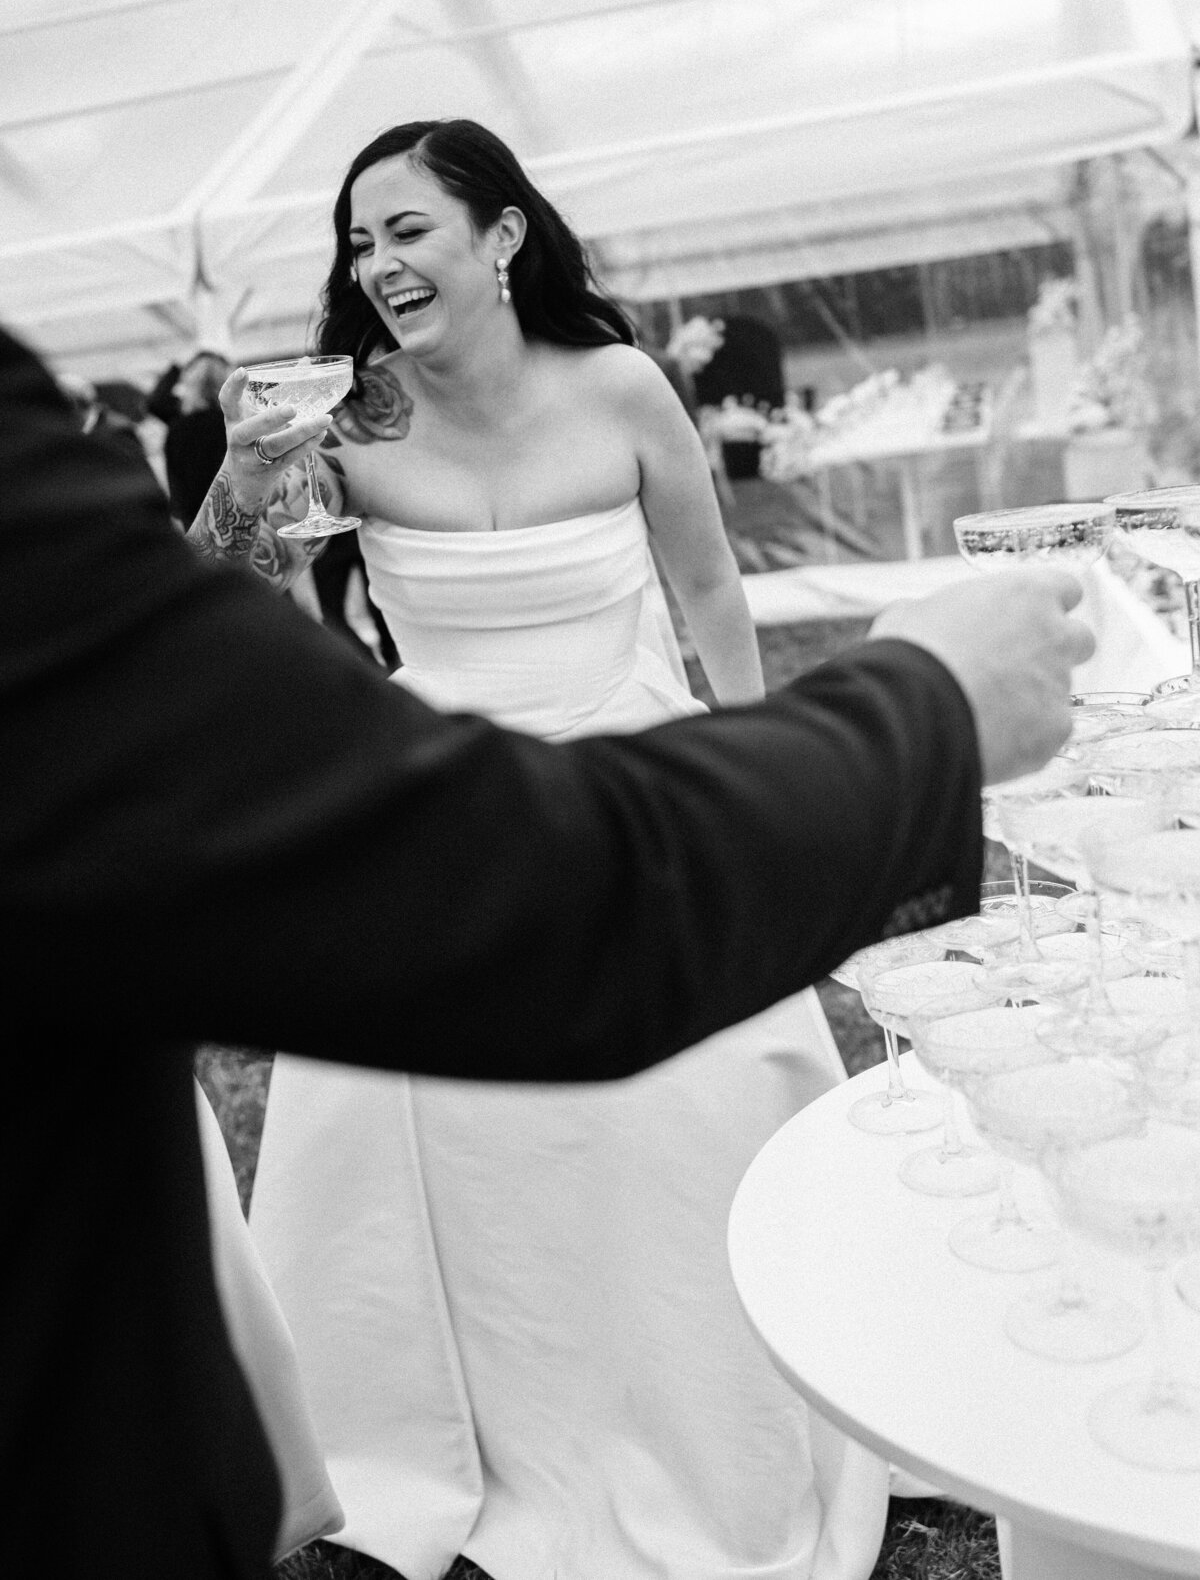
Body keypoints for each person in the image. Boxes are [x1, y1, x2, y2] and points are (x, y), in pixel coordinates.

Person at [3, 317, 1090, 1580]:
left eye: (409, 226)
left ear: (504, 234)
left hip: (604, 747)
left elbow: (706, 583)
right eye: (361, 242)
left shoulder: (619, 389)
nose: (379, 265)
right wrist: (925, 713)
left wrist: (743, 718)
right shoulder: (359, 424)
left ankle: (716, 1407)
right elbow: (222, 629)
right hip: (487, 806)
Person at [164, 349, 234, 528]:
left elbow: (177, 488)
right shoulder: (233, 423)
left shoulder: (177, 428)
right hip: (235, 513)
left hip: (196, 520)